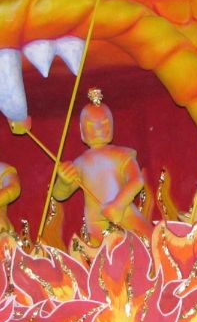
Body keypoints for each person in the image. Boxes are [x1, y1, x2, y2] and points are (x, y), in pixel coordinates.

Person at [53, 89, 151, 244]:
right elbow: (59, 195)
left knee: (148, 243)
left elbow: (136, 180)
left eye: (104, 123)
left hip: (124, 212)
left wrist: (118, 205)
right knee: (104, 260)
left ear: (112, 125)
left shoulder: (122, 154)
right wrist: (64, 182)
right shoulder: (81, 163)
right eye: (91, 125)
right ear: (81, 130)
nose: (98, 129)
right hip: (96, 224)